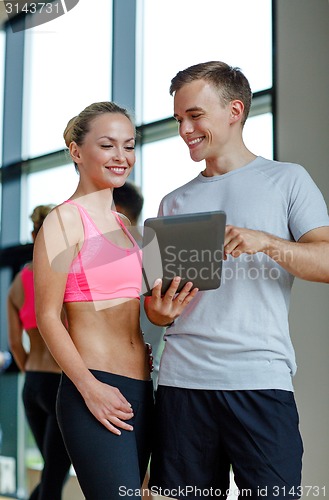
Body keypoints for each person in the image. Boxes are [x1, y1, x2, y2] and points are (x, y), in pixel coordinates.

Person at [145, 61, 329, 499]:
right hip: (182, 383)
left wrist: (266, 242)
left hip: (260, 379)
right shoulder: (173, 202)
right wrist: (159, 309)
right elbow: (154, 305)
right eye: (178, 119)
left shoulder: (287, 180)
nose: (185, 129)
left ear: (234, 110)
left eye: (195, 115)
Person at [33, 102, 156, 500]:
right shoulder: (64, 220)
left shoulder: (125, 226)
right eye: (108, 145)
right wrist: (89, 388)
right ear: (76, 151)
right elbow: (47, 316)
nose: (121, 157)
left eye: (129, 146)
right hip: (96, 388)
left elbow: (126, 313)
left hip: (141, 388)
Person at [7, 204, 71, 500]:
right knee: (54, 476)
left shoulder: (18, 284)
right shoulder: (65, 275)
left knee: (51, 472)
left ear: (34, 234)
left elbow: (16, 345)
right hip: (60, 383)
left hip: (32, 384)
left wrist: (30, 374)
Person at [113, 181, 165, 387]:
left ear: (117, 212)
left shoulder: (112, 260)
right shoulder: (159, 255)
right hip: (151, 375)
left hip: (115, 374)